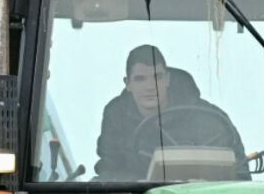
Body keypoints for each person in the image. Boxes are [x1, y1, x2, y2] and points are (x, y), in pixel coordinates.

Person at [95, 44, 249, 180]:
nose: (150, 86)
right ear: (128, 84)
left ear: (167, 79)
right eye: (140, 79)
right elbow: (108, 172)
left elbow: (239, 173)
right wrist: (138, 184)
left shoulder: (209, 121)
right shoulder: (116, 118)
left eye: (157, 77)